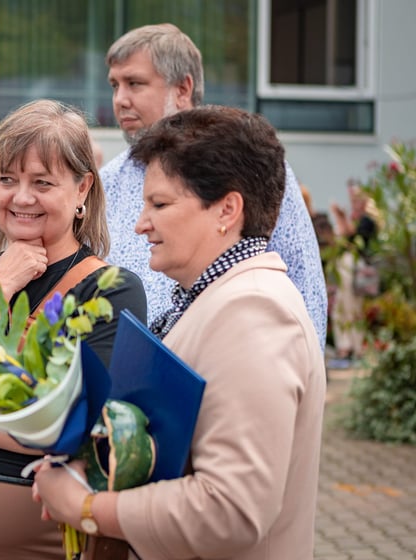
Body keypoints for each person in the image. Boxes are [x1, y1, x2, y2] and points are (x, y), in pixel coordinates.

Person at [33, 105, 327, 560]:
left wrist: (88, 507)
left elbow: (231, 510)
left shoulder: (254, 311)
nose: (140, 223)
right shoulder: (218, 298)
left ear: (227, 210)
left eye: (161, 204)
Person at [0, 99, 147, 559]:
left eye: (42, 183)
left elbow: (76, 425)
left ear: (82, 190)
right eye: (7, 180)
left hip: (55, 540)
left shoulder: (109, 290)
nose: (21, 197)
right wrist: (0, 284)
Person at [100, 23, 328, 351]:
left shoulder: (245, 163)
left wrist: (305, 372)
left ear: (183, 89)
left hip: (235, 371)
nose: (119, 99)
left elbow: (303, 280)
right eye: (114, 85)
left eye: (134, 83)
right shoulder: (108, 181)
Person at [328, 180, 379, 368]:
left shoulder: (367, 220)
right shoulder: (356, 217)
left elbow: (353, 238)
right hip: (346, 269)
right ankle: (347, 347)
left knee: (351, 308)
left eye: (356, 197)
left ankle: (353, 348)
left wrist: (341, 218)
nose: (353, 200)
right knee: (342, 307)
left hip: (355, 269)